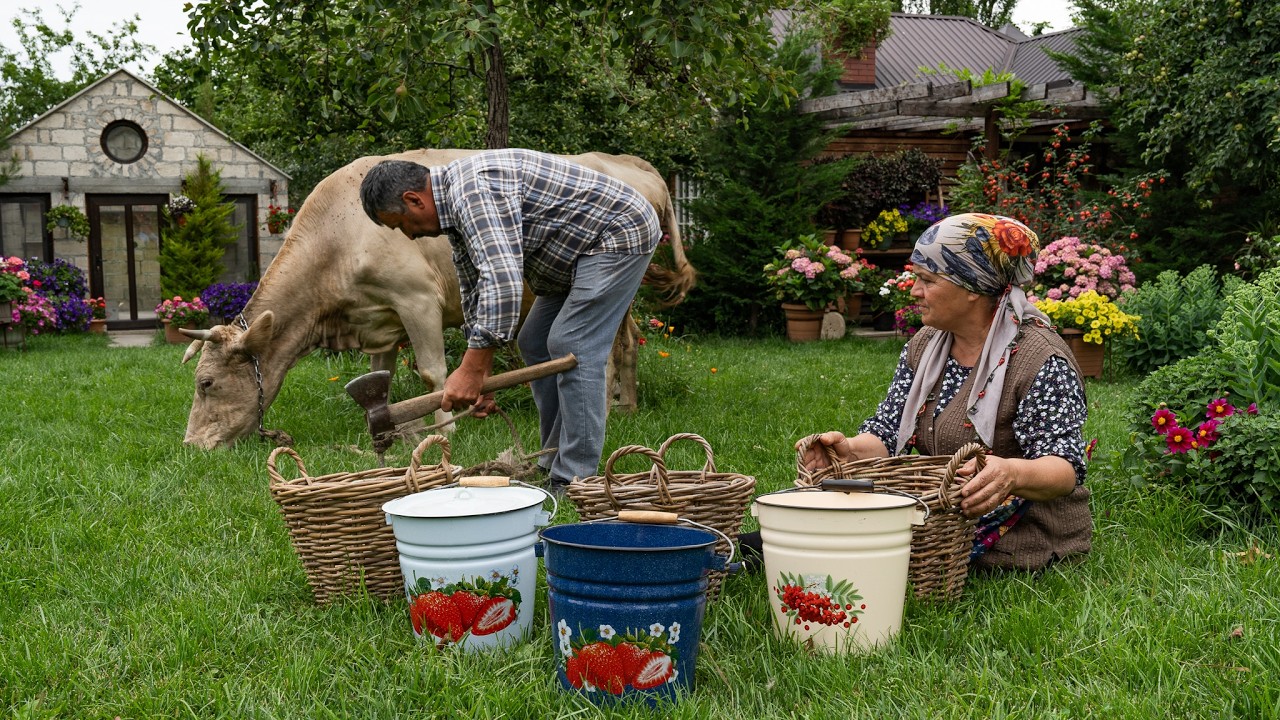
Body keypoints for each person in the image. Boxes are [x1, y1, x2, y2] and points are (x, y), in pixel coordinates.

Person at [750, 213, 1091, 571]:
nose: (914, 290)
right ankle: (741, 554)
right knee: (817, 532)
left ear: (973, 288)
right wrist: (849, 451)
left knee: (841, 544)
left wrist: (1011, 474)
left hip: (1019, 536)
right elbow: (887, 432)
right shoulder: (926, 345)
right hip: (942, 524)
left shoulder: (1039, 359)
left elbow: (1065, 467)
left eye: (927, 280)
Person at [359, 149, 660, 493]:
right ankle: (552, 459)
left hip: (617, 233)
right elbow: (474, 287)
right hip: (575, 253)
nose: (409, 235)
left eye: (402, 224)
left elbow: (502, 281)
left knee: (573, 344)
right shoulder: (454, 210)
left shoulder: (472, 192)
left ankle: (574, 478)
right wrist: (481, 377)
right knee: (534, 341)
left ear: (414, 200)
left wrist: (471, 369)